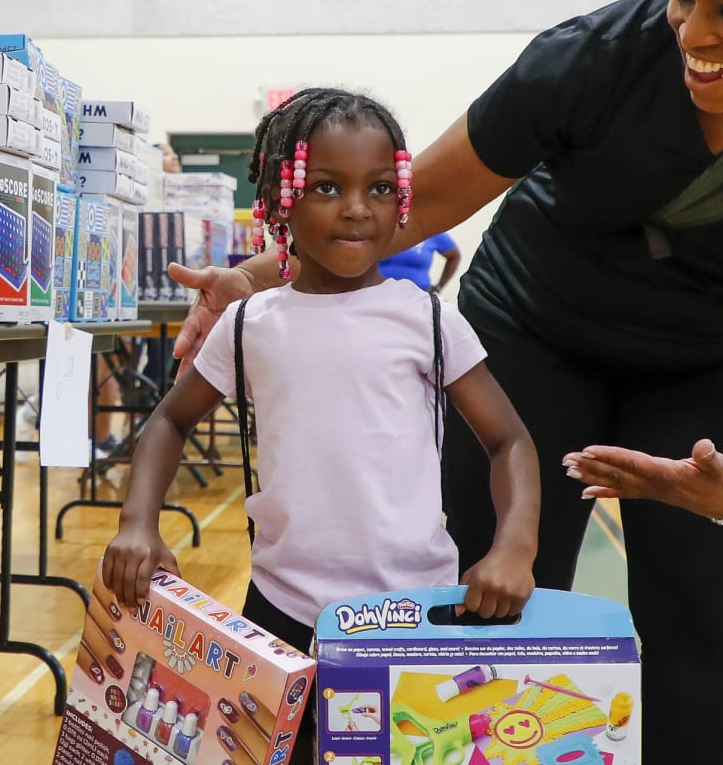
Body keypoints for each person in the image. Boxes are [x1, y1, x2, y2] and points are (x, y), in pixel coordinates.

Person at [165, 0, 723, 759]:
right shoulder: (593, 58)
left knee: (705, 639)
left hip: (713, 368)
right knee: (477, 611)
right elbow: (413, 204)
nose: (693, 32)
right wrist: (249, 280)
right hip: (528, 335)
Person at [104, 89, 540, 762]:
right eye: (327, 186)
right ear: (281, 201)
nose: (357, 207)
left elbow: (508, 440)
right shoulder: (251, 323)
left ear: (402, 205)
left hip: (414, 608)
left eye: (379, 187)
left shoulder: (426, 318)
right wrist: (138, 520)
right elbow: (168, 419)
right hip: (282, 606)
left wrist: (515, 546)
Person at [379, 232, 461, 293]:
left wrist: (439, 286)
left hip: (418, 298)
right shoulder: (384, 229)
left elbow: (454, 256)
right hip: (378, 294)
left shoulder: (430, 230)